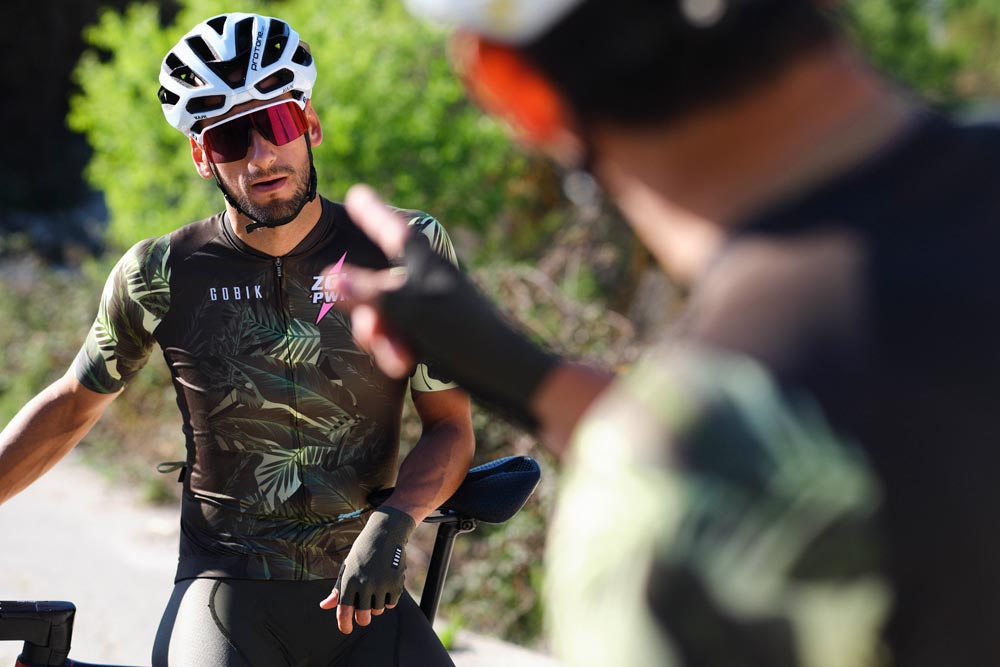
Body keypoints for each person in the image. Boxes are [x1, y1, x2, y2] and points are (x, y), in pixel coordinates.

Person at [324, 0, 1000, 664]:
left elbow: (740, 473)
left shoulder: (662, 515)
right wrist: (533, 381)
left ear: (512, 89)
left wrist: (635, 453)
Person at [0, 12, 473, 667]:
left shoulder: (403, 249)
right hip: (223, 593)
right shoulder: (160, 273)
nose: (261, 156)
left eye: (276, 124)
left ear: (308, 124)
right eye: (229, 138)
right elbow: (71, 406)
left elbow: (451, 427)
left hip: (367, 600)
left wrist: (394, 522)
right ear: (202, 156)